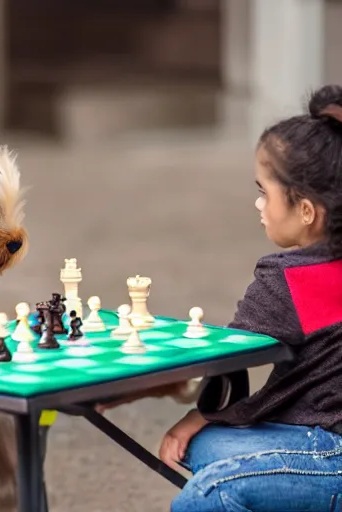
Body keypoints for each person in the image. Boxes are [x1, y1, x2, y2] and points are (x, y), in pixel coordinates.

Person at [98, 84, 342, 511]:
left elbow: (224, 358)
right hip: (320, 436)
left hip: (328, 456)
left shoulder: (291, 280)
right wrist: (202, 416)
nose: (258, 204)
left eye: (265, 192)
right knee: (201, 444)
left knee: (214, 490)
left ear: (306, 210)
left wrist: (119, 389)